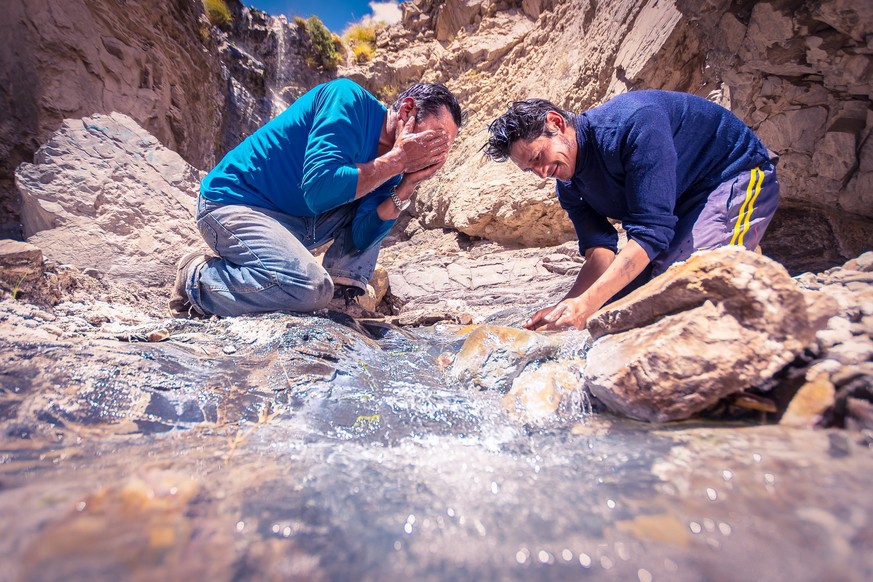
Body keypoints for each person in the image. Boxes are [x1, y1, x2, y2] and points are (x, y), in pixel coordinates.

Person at [484, 90, 779, 331]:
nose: (542, 173)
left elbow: (651, 232)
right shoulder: (569, 184)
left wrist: (586, 305)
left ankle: (752, 277)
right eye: (530, 169)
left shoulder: (634, 123)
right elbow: (600, 253)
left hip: (733, 174)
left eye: (538, 157)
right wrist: (566, 308)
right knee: (617, 307)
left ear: (556, 123)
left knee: (676, 287)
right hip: (676, 210)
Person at [169, 78, 462, 318]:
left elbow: (361, 237)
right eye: (433, 138)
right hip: (233, 203)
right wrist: (396, 163)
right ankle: (198, 279)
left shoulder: (398, 164)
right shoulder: (347, 99)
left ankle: (340, 293)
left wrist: (406, 183)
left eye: (443, 147)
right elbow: (319, 188)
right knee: (308, 288)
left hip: (295, 221)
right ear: (407, 110)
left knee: (320, 290)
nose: (434, 153)